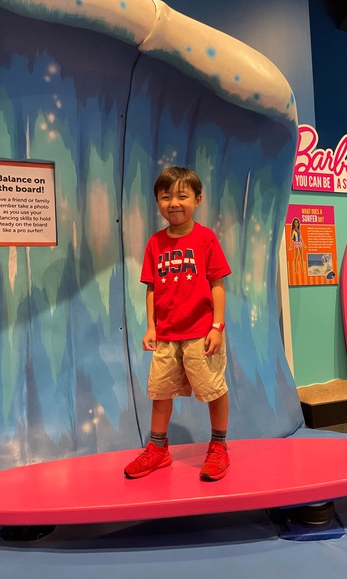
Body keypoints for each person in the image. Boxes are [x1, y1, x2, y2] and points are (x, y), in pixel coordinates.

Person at [124, 167, 232, 482]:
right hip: (167, 334)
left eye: (182, 196)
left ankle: (219, 445)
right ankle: (158, 449)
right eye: (166, 196)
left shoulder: (205, 238)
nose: (173, 203)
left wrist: (217, 326)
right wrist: (151, 327)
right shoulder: (155, 243)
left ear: (197, 200)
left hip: (201, 332)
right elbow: (151, 288)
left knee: (213, 388)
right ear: (158, 201)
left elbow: (217, 284)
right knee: (160, 391)